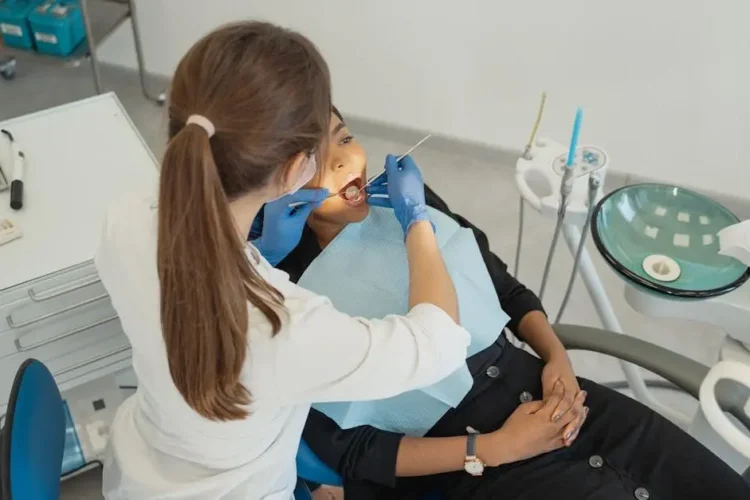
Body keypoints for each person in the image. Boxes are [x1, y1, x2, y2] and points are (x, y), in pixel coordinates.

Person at [271, 108, 750, 499]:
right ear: (273, 180)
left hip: (563, 403)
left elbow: (504, 287)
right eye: (314, 157)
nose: (344, 161)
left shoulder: (404, 201)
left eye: (345, 136)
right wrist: (493, 448)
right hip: (464, 469)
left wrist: (556, 356)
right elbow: (354, 453)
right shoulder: (283, 295)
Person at [94, 23, 473, 500]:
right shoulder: (284, 326)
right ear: (294, 170)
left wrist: (260, 256)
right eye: (322, 146)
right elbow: (438, 344)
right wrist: (418, 221)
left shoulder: (125, 218)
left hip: (145, 466)